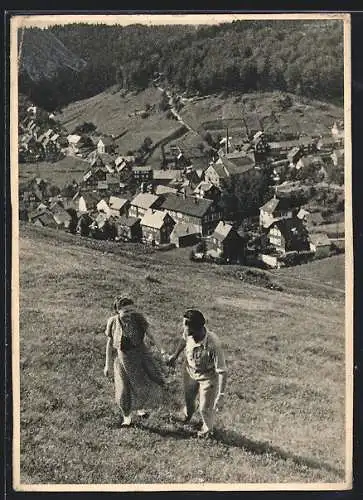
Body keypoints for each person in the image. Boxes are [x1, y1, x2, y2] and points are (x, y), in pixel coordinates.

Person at [104, 296, 167, 427]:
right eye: (126, 311)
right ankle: (126, 417)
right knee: (123, 389)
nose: (129, 314)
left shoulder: (139, 319)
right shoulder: (113, 322)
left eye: (132, 311)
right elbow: (109, 344)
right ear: (117, 311)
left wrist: (162, 350)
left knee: (141, 384)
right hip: (123, 359)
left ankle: (140, 409)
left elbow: (151, 335)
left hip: (140, 356)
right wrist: (107, 364)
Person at [166, 309, 227, 438]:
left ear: (196, 328)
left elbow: (222, 371)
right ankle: (187, 415)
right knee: (189, 399)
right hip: (190, 372)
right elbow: (183, 341)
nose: (183, 327)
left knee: (205, 408)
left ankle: (207, 430)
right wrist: (175, 356)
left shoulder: (213, 343)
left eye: (186, 324)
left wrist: (221, 395)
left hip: (208, 377)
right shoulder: (188, 333)